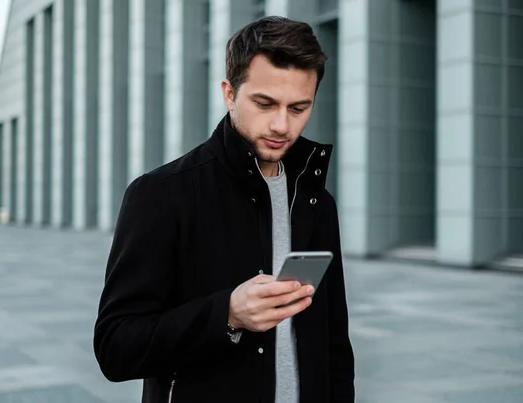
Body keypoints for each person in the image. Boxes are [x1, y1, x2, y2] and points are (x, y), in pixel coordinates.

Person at [94, 16, 354, 403]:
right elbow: (116, 347)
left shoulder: (317, 200)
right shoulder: (161, 194)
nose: (282, 125)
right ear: (229, 93)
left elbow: (335, 344)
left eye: (299, 107)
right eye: (265, 103)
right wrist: (227, 314)